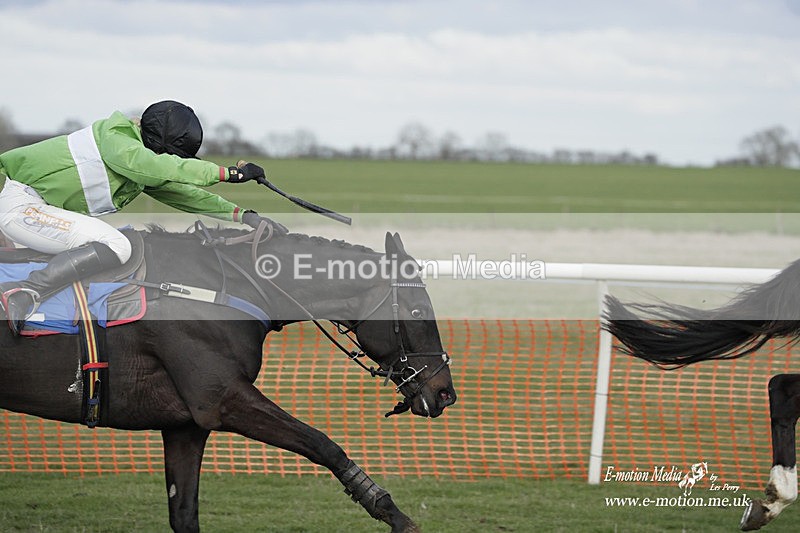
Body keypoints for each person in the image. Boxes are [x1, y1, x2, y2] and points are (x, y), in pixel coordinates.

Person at [0, 100, 283, 336]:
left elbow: (183, 193)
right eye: (166, 153)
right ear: (156, 143)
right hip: (21, 206)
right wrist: (228, 174)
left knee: (115, 242)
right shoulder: (117, 141)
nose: (166, 159)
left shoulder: (138, 165)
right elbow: (155, 166)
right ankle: (22, 292)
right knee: (117, 244)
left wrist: (243, 215)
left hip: (37, 211)